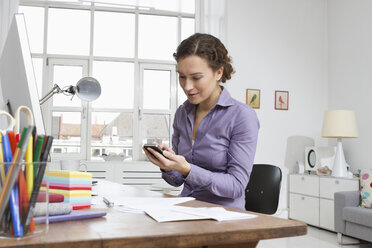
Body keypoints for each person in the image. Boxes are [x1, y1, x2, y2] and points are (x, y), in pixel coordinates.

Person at [143, 33, 259, 210]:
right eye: (182, 76)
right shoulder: (182, 113)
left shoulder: (242, 116)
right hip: (186, 207)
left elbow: (236, 186)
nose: (187, 86)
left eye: (196, 77)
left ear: (219, 72)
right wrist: (168, 166)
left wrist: (188, 169)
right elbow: (176, 181)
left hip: (224, 215)